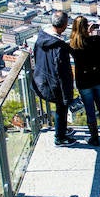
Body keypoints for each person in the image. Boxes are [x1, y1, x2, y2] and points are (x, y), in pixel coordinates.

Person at [68, 15, 100, 146]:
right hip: (98, 78)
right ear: (87, 28)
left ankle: (94, 138)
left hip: (84, 82)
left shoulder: (72, 45)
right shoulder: (95, 40)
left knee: (89, 109)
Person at [31, 11, 76, 146]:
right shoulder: (59, 46)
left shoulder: (41, 37)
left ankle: (61, 129)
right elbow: (61, 71)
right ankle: (60, 137)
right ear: (64, 25)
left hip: (42, 79)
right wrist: (67, 92)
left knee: (59, 109)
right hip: (55, 83)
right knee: (61, 108)